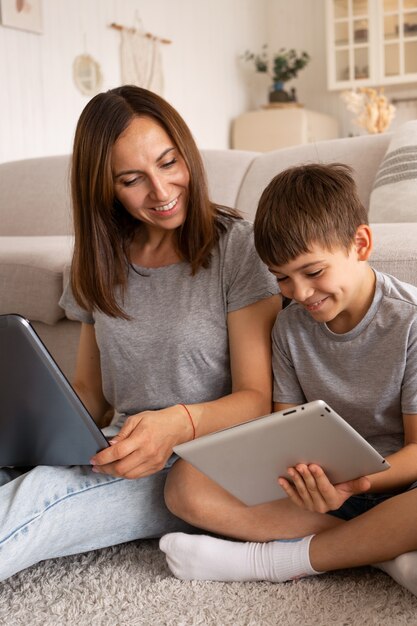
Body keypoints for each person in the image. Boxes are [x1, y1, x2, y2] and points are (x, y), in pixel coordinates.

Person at [0, 85, 280, 581]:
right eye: (133, 179)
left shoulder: (238, 247)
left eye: (169, 162)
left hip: (199, 459)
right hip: (119, 443)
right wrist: (28, 431)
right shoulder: (97, 259)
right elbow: (90, 393)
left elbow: (257, 398)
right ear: (105, 188)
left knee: (38, 499)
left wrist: (174, 423)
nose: (162, 191)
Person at [159, 163, 417, 597]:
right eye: (281, 277)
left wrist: (358, 484)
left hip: (397, 483)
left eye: (313, 272)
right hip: (321, 494)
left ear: (360, 244)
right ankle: (381, 549)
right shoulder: (288, 327)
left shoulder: (409, 322)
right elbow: (286, 431)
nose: (299, 293)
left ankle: (275, 561)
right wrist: (303, 481)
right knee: (185, 484)